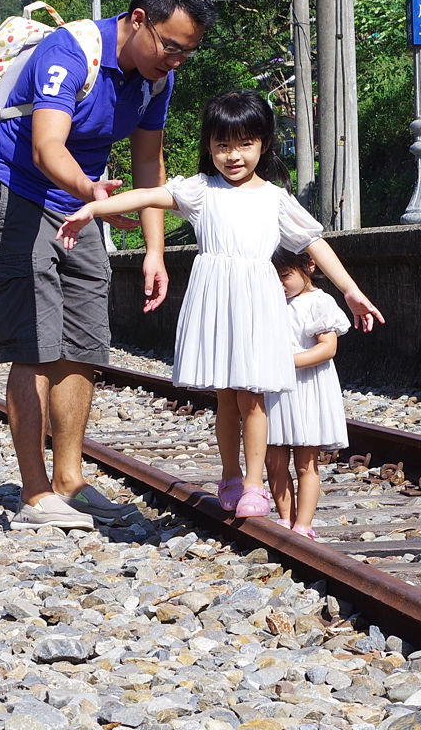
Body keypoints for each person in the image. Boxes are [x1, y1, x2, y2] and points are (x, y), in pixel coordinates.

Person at [57, 90, 384, 520]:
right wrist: (93, 209)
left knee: (254, 395)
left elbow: (314, 243)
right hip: (216, 301)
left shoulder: (274, 198)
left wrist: (350, 290)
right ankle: (230, 475)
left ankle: (253, 485)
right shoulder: (201, 191)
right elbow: (146, 196)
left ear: (264, 145)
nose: (233, 156)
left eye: (245, 144)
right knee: (227, 396)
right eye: (222, 145)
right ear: (208, 146)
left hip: (256, 302)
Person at [0, 0, 218, 531]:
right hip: (18, 188)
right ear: (138, 21)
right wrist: (93, 193)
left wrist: (155, 250)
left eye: (186, 53)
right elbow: (46, 145)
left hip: (82, 201)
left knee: (83, 340)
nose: (175, 61)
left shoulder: (157, 79)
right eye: (170, 47)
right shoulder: (70, 51)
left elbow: (149, 165)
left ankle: (71, 480)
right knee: (34, 338)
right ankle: (35, 494)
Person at [263, 248, 352, 540]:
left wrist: (285, 361)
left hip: (306, 386)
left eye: (285, 276)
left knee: (306, 460)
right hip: (276, 389)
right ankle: (285, 518)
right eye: (274, 278)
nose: (280, 284)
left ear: (309, 266)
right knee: (273, 458)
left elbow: (328, 348)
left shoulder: (319, 302)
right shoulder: (272, 301)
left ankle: (303, 523)